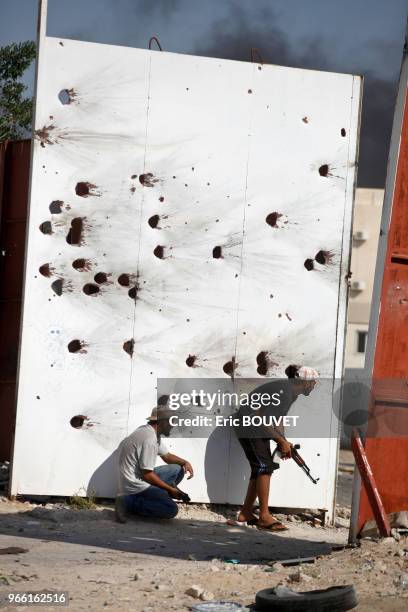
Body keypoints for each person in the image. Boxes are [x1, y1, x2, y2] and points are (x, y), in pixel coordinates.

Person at [235, 365, 318, 531]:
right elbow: (261, 418)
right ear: (304, 382)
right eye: (313, 382)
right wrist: (280, 441)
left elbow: (278, 418)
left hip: (255, 426)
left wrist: (284, 442)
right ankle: (264, 516)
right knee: (264, 468)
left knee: (259, 469)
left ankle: (245, 513)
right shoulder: (284, 391)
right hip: (249, 426)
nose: (315, 385)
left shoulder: (291, 393)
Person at [115, 405, 194, 523]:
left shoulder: (147, 430)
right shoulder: (150, 440)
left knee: (178, 469)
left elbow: (166, 456)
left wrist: (185, 462)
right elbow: (147, 474)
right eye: (172, 422)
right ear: (163, 422)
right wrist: (169, 489)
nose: (173, 425)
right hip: (134, 487)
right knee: (171, 510)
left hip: (135, 477)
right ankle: (128, 502)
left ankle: (159, 494)